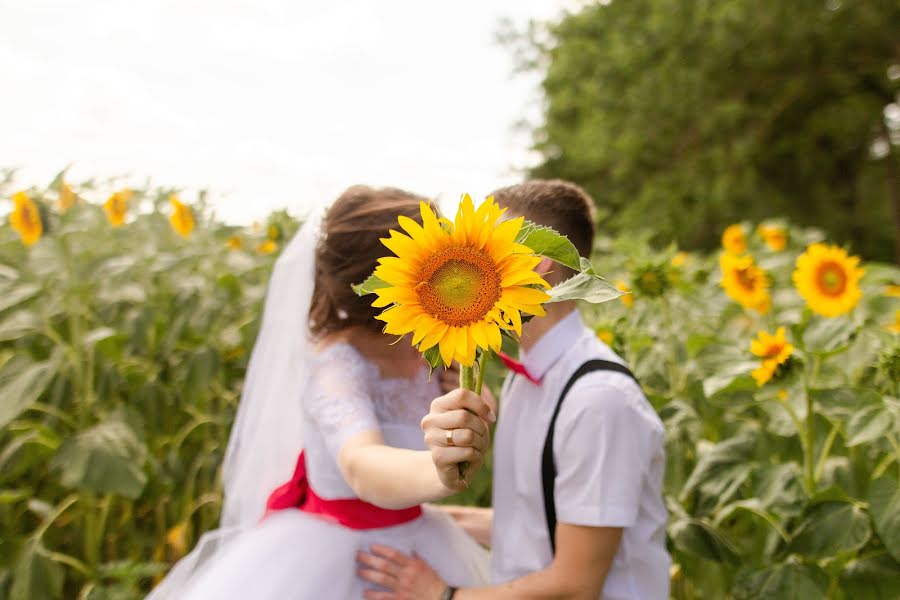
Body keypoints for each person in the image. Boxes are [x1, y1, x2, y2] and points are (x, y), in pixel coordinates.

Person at [147, 186, 493, 600]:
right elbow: (360, 464)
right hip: (339, 560)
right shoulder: (336, 363)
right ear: (385, 278)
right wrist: (441, 469)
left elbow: (473, 415)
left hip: (423, 549)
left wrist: (478, 399)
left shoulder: (433, 344)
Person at [357, 180, 670, 600]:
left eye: (494, 251)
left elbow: (577, 585)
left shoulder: (597, 399)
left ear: (537, 265)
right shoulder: (527, 379)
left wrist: (441, 594)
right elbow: (539, 519)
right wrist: (439, 519)